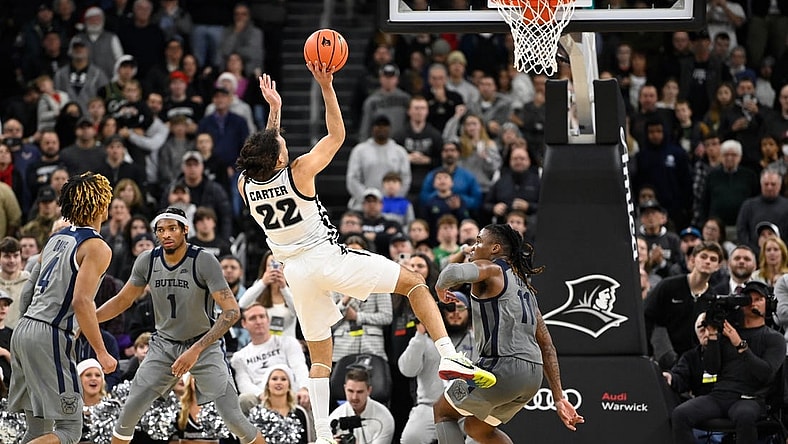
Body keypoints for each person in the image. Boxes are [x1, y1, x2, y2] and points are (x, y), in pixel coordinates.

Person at [237, 67, 497, 444]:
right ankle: (449, 356)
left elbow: (264, 151)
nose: (286, 146)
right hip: (327, 258)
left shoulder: (246, 184)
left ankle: (323, 434)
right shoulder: (299, 171)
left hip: (295, 271)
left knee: (320, 356)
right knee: (414, 284)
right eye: (281, 147)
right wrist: (326, 86)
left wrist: (274, 112)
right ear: (279, 159)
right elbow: (337, 135)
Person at [94, 207, 265, 444]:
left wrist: (195, 350)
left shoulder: (204, 260)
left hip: (204, 344)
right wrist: (90, 319)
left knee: (233, 417)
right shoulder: (148, 260)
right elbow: (123, 300)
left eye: (172, 228)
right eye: (161, 230)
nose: (166, 235)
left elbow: (232, 311)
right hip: (164, 344)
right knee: (129, 412)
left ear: (185, 230)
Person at [432, 224, 583, 443]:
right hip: (532, 378)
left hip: (501, 368)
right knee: (476, 428)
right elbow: (547, 345)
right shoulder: (526, 290)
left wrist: (439, 287)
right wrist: (558, 397)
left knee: (443, 412)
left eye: (477, 241)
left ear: (494, 248)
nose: (473, 247)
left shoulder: (492, 269)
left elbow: (452, 273)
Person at [8, 172, 118, 444]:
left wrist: (29, 329)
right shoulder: (96, 247)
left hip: (23, 330)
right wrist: (102, 352)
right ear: (101, 205)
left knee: (38, 430)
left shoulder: (55, 238)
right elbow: (82, 301)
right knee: (70, 429)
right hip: (50, 334)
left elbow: (28, 291)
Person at [671, 281, 785, 444]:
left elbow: (765, 374)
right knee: (680, 414)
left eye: (758, 299)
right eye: (748, 298)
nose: (752, 302)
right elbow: (711, 368)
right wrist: (712, 337)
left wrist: (740, 344)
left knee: (744, 416)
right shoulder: (727, 332)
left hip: (750, 398)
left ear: (769, 304)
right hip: (719, 395)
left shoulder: (774, 338)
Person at [231, 303, 310, 414]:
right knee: (244, 399)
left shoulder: (289, 342)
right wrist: (264, 395)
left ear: (268, 320)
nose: (258, 321)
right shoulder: (239, 357)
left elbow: (299, 368)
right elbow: (244, 384)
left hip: (291, 394)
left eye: (262, 316)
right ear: (244, 324)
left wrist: (304, 388)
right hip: (260, 399)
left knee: (309, 395)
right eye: (253, 318)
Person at [327, 368, 395, 444]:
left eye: (360, 392)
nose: (354, 397)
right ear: (344, 388)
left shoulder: (384, 418)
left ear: (369, 390)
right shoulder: (334, 417)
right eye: (350, 391)